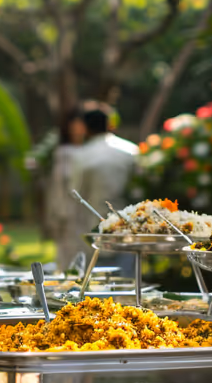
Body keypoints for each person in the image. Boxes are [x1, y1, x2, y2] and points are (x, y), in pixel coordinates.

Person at [74, 106, 140, 272]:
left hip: (93, 225)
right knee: (129, 282)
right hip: (130, 226)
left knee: (95, 283)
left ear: (85, 128)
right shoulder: (131, 151)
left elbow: (76, 194)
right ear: (109, 124)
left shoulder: (82, 155)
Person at [45, 107, 90, 272]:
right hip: (69, 215)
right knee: (69, 263)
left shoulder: (92, 151)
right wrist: (56, 216)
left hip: (89, 212)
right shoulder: (64, 153)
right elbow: (57, 188)